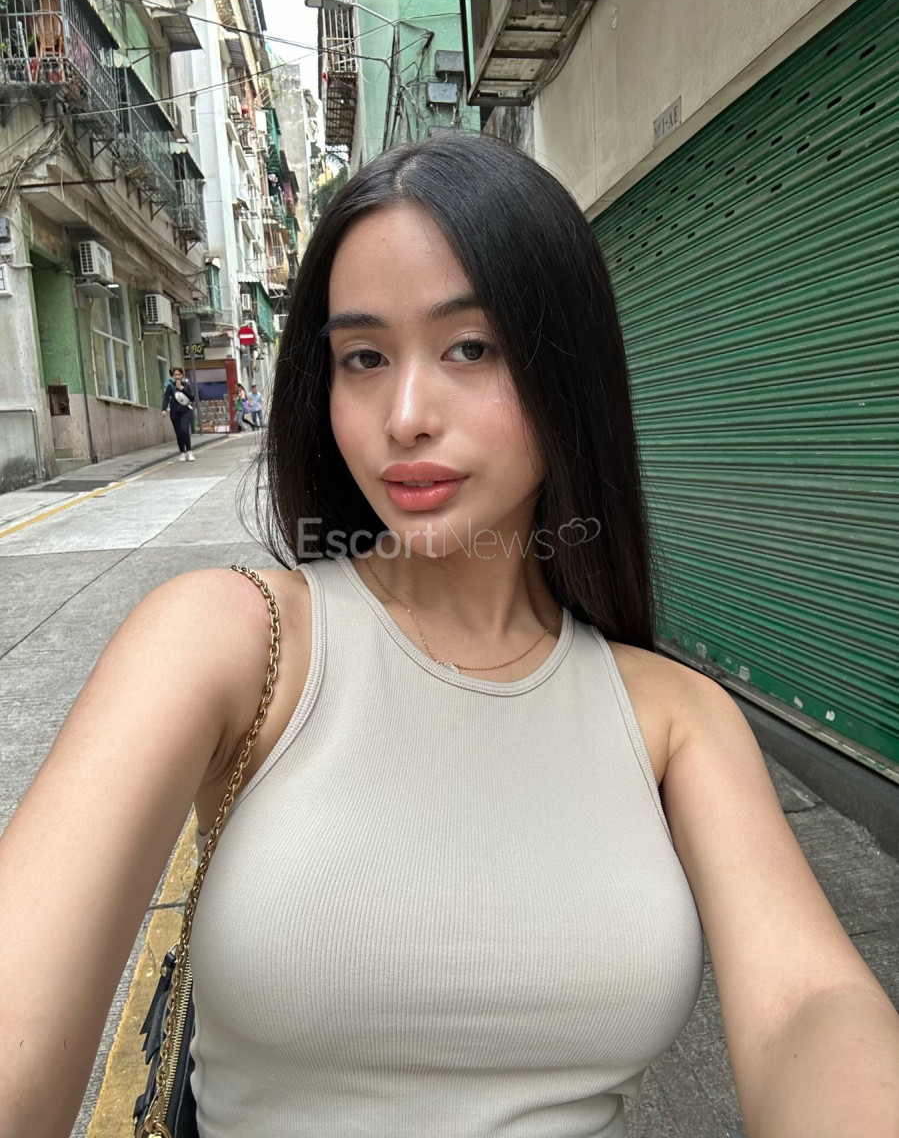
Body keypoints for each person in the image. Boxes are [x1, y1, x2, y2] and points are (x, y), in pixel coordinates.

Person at [2, 130, 898, 1138]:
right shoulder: (229, 642)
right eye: (363, 357)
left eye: (470, 347)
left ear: (569, 371)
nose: (406, 415)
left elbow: (806, 1008)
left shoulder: (674, 717)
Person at [161, 366, 196, 461]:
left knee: (185, 430)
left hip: (185, 411)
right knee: (179, 433)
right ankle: (182, 453)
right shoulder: (170, 386)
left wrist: (182, 389)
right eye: (175, 375)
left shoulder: (186, 386)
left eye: (179, 375)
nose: (177, 376)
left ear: (182, 375)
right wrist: (164, 409)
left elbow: (192, 398)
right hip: (174, 412)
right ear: (173, 376)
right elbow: (166, 398)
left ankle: (189, 451)